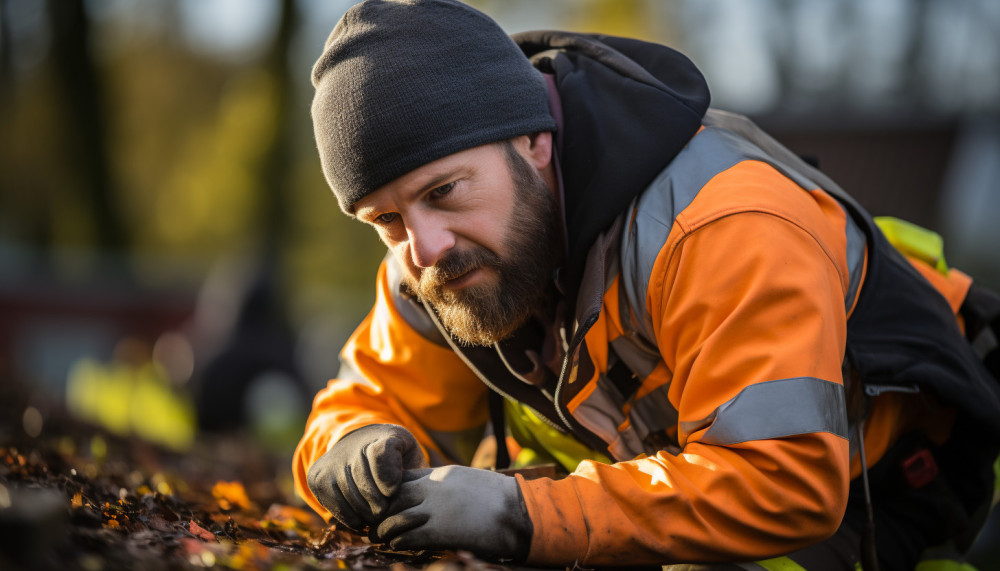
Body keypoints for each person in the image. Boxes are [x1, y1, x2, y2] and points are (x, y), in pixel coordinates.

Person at [293, 1, 1000, 569]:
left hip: (888, 502)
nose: (425, 247)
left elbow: (784, 482)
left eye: (443, 190)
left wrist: (519, 514)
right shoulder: (437, 260)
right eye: (385, 219)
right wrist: (350, 446)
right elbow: (367, 401)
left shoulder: (719, 223)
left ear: (532, 141)